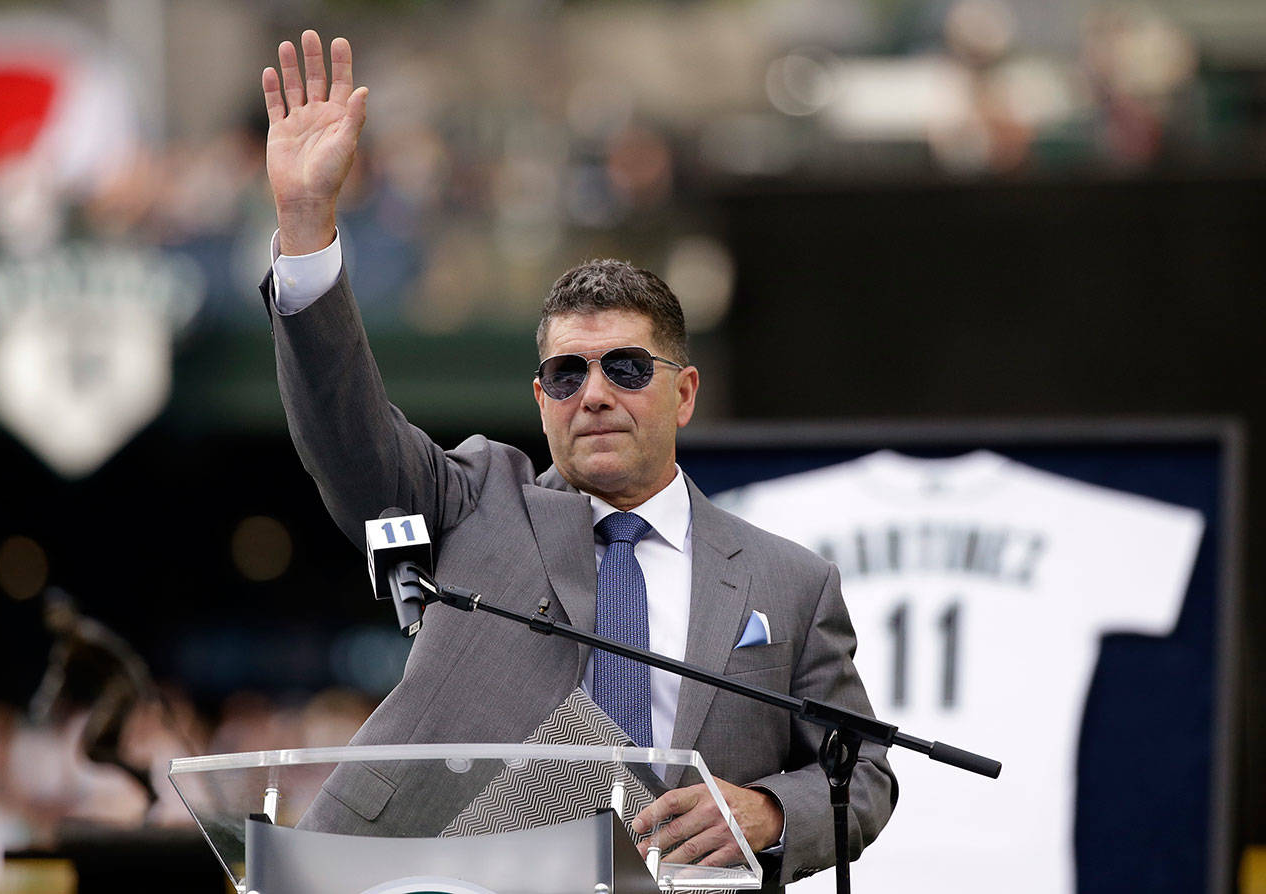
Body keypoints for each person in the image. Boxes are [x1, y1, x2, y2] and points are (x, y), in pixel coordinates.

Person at [259, 30, 895, 887]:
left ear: (685, 392)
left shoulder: (789, 584)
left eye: (625, 368)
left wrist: (772, 810)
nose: (592, 393)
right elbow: (347, 435)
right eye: (566, 374)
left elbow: (863, 776)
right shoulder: (474, 501)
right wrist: (306, 227)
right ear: (540, 402)